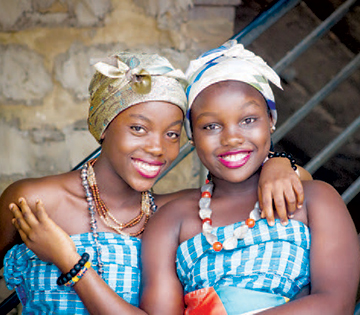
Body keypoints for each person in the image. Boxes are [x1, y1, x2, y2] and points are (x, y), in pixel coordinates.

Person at [2, 50, 309, 314]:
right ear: (103, 125)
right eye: (138, 128)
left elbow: (295, 184)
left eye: (173, 134)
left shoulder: (175, 213)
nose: (158, 148)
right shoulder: (36, 201)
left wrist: (278, 163)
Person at [140, 41, 360, 315]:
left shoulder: (315, 199)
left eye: (248, 120)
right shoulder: (172, 220)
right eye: (211, 126)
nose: (231, 138)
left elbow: (335, 304)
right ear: (192, 137)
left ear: (270, 120)